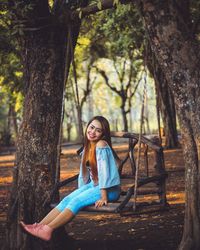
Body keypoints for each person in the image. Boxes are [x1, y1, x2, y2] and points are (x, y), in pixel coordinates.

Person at [20, 116, 120, 241]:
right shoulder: (89, 145)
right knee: (67, 199)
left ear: (103, 134)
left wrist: (103, 196)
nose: (93, 132)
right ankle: (39, 226)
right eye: (92, 127)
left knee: (75, 202)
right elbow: (85, 174)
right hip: (95, 186)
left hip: (108, 190)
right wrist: (82, 190)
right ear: (87, 126)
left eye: (98, 130)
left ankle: (47, 230)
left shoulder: (101, 145)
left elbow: (105, 172)